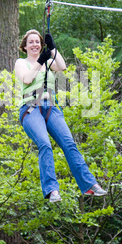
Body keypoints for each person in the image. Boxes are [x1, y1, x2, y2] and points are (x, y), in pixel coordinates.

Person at [14, 29, 107, 203]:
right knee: (45, 144)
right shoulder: (21, 62)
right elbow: (27, 79)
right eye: (31, 42)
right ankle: (52, 190)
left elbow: (62, 66)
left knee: (69, 144)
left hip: (51, 108)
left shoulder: (48, 61)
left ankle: (89, 185)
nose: (35, 44)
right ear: (25, 47)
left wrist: (53, 48)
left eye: (38, 42)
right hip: (31, 109)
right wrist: (41, 60)